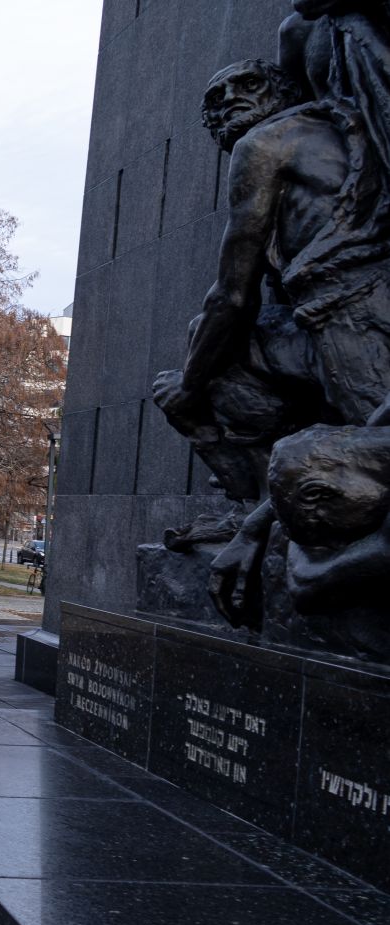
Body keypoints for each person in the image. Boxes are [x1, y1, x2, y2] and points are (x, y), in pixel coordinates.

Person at [153, 57, 390, 620]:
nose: (233, 98)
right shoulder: (339, 126)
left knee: (197, 366)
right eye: (219, 96)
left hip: (355, 318)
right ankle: (262, 503)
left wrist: (189, 389)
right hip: (324, 316)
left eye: (250, 85)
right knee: (211, 348)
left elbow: (233, 296)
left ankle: (277, 517)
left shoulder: (265, 143)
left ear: (283, 89)